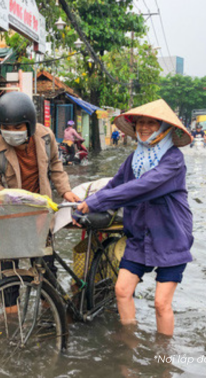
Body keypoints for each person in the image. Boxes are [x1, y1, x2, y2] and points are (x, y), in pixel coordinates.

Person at [76, 99, 194, 337]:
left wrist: (97, 203)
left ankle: (163, 362)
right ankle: (129, 348)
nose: (144, 127)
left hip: (171, 236)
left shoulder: (173, 160)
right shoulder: (134, 159)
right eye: (140, 122)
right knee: (121, 291)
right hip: (139, 235)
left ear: (164, 128)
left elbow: (141, 187)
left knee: (161, 303)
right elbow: (114, 185)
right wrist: (83, 206)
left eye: (151, 122)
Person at [0, 92, 81, 312]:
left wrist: (66, 191)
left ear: (30, 125)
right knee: (6, 274)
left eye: (19, 127)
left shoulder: (46, 138)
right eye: (7, 127)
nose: (12, 132)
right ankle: (11, 323)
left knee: (46, 269)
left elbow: (56, 168)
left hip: (39, 215)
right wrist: (2, 197)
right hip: (8, 216)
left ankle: (51, 315)